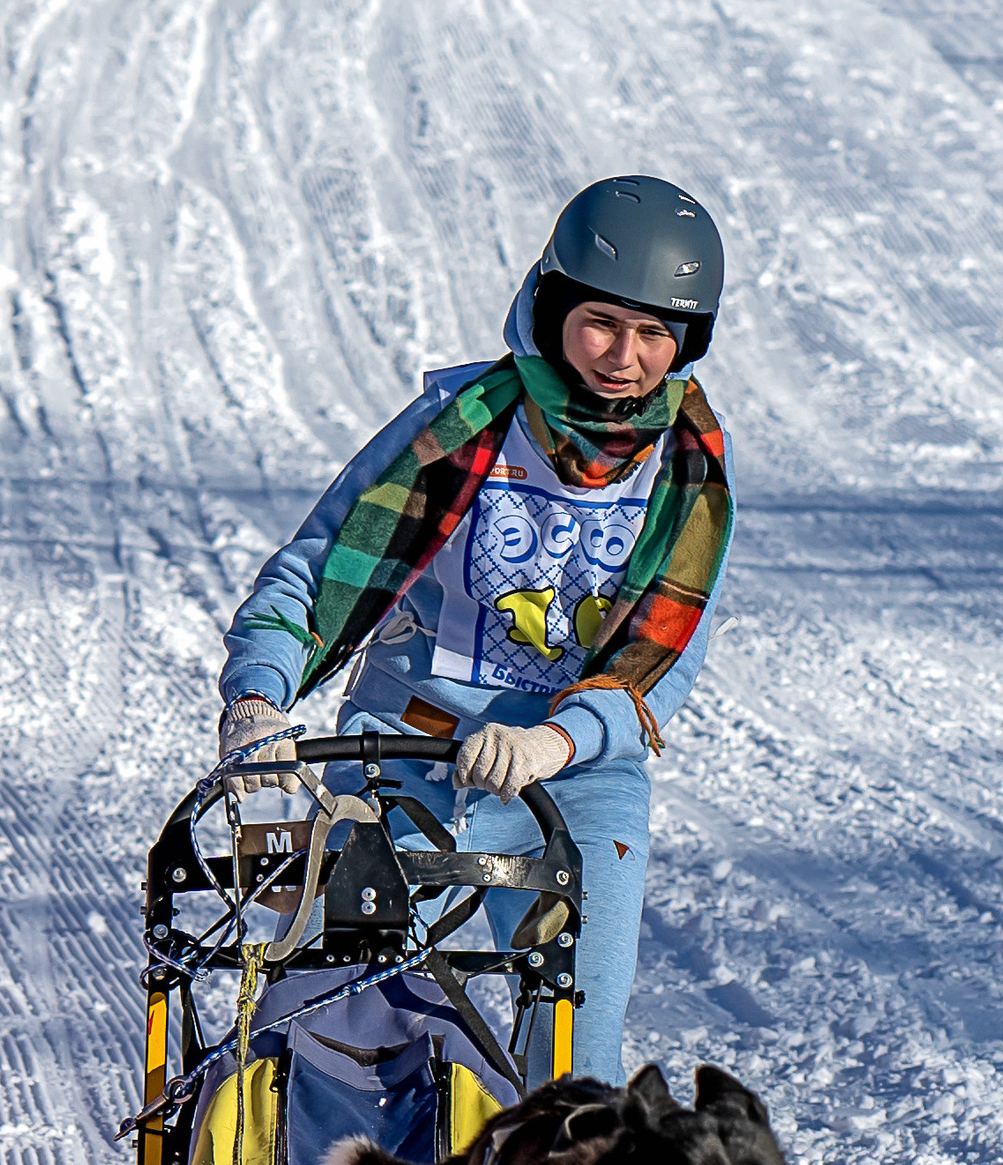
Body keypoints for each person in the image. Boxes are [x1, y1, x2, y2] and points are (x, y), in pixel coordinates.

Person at [216, 176, 733, 1080]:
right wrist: (259, 695)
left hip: (572, 779)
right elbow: (321, 563)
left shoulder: (689, 476)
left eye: (656, 333)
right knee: (358, 1037)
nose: (625, 356)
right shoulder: (459, 427)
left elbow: (663, 668)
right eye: (603, 322)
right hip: (402, 754)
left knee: (574, 1070)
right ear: (552, 307)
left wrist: (551, 743)